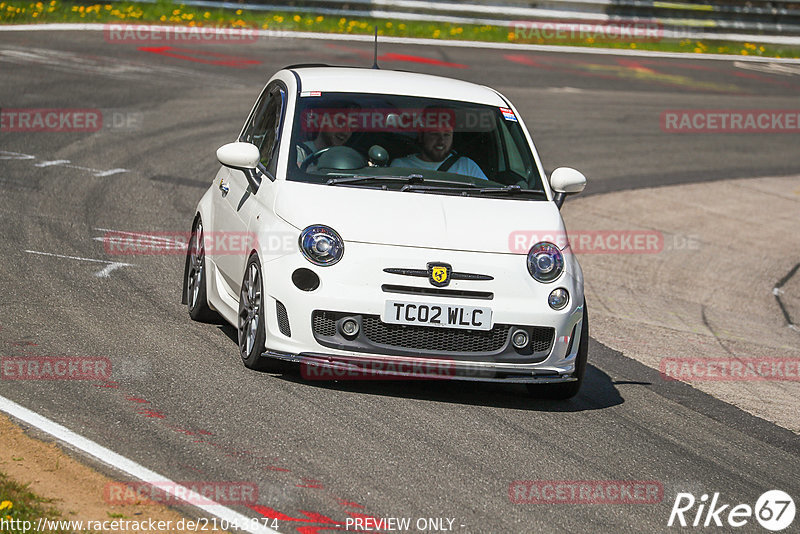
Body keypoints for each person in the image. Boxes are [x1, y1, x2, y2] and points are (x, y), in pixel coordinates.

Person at [390, 121, 487, 180]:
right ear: (421, 136)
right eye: (434, 134)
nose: (441, 140)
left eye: (447, 135)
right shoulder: (400, 166)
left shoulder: (467, 166)